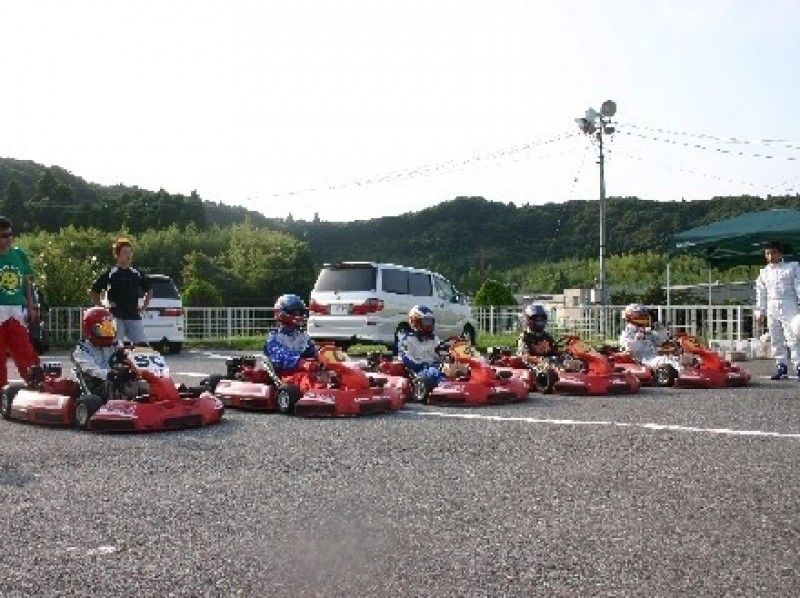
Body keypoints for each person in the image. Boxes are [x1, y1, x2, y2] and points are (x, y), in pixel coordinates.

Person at [0, 216, 41, 389]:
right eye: (4, 235)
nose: (9, 238)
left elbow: (27, 283)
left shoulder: (19, 254)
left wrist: (31, 305)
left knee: (25, 351)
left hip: (16, 308)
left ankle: (37, 384)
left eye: (11, 234)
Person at [90, 237, 152, 346]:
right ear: (117, 255)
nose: (128, 255)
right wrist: (101, 308)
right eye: (124, 252)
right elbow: (94, 291)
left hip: (133, 316)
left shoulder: (136, 273)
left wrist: (143, 307)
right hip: (115, 317)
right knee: (115, 347)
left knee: (143, 346)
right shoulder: (111, 273)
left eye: (130, 252)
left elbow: (149, 290)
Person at [754, 240, 800, 380]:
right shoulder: (764, 272)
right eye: (767, 253)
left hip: (789, 303)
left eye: (773, 252)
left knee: (793, 336)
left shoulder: (792, 267)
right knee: (775, 337)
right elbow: (761, 293)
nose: (770, 256)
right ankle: (781, 365)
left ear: (780, 253)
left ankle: (798, 365)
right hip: (771, 306)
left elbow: (799, 285)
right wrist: (760, 311)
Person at [264, 294, 317, 374]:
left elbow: (311, 352)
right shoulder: (274, 337)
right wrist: (301, 363)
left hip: (304, 373)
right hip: (284, 375)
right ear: (281, 313)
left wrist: (321, 356)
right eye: (296, 313)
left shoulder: (302, 336)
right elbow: (278, 357)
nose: (299, 316)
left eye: (301, 313)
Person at [399, 305, 448, 387]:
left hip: (436, 366)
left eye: (430, 321)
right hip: (419, 370)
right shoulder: (407, 339)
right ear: (415, 322)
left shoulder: (434, 339)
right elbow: (406, 359)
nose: (429, 325)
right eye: (426, 321)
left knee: (457, 368)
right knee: (433, 372)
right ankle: (445, 385)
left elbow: (440, 351)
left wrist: (448, 353)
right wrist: (426, 365)